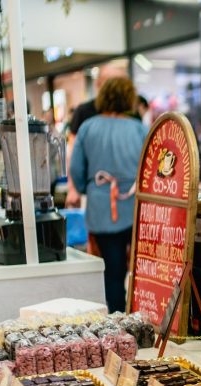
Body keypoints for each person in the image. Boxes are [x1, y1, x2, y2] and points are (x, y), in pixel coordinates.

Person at [70, 77, 147, 313]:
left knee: (112, 272)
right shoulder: (140, 129)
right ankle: (143, 317)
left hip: (102, 208)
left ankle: (117, 320)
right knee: (142, 269)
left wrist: (87, 188)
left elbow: (76, 169)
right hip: (137, 207)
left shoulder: (88, 127)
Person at [66, 63, 128, 208]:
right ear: (99, 84)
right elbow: (73, 153)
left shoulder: (130, 115)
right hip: (93, 191)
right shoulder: (84, 112)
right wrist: (73, 189)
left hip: (126, 191)